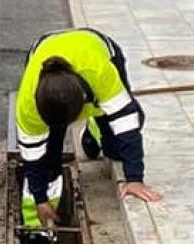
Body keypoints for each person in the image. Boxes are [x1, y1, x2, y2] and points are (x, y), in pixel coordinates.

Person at [15, 28, 162, 231]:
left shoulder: (100, 72)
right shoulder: (28, 104)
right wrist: (40, 199)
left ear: (83, 101)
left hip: (96, 46)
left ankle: (94, 129)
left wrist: (134, 179)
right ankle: (37, 227)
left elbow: (127, 125)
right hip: (43, 47)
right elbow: (32, 155)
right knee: (50, 153)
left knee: (117, 146)